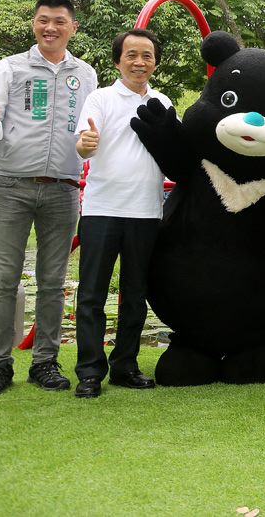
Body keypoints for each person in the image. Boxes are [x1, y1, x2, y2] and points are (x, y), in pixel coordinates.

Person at [0, 0, 98, 398]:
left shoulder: (86, 75)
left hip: (62, 189)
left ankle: (45, 362)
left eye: (59, 21)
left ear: (72, 27)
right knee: (3, 281)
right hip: (10, 185)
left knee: (53, 282)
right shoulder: (9, 67)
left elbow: (90, 130)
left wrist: (91, 144)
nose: (50, 28)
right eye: (43, 20)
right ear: (34, 23)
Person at [71, 28, 170, 398]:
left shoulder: (162, 101)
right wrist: (86, 143)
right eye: (131, 55)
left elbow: (172, 151)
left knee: (135, 293)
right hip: (101, 210)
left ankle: (125, 365)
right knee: (92, 293)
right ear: (117, 61)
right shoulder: (100, 99)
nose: (139, 62)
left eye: (146, 55)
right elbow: (83, 144)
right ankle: (90, 371)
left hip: (146, 211)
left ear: (154, 62)